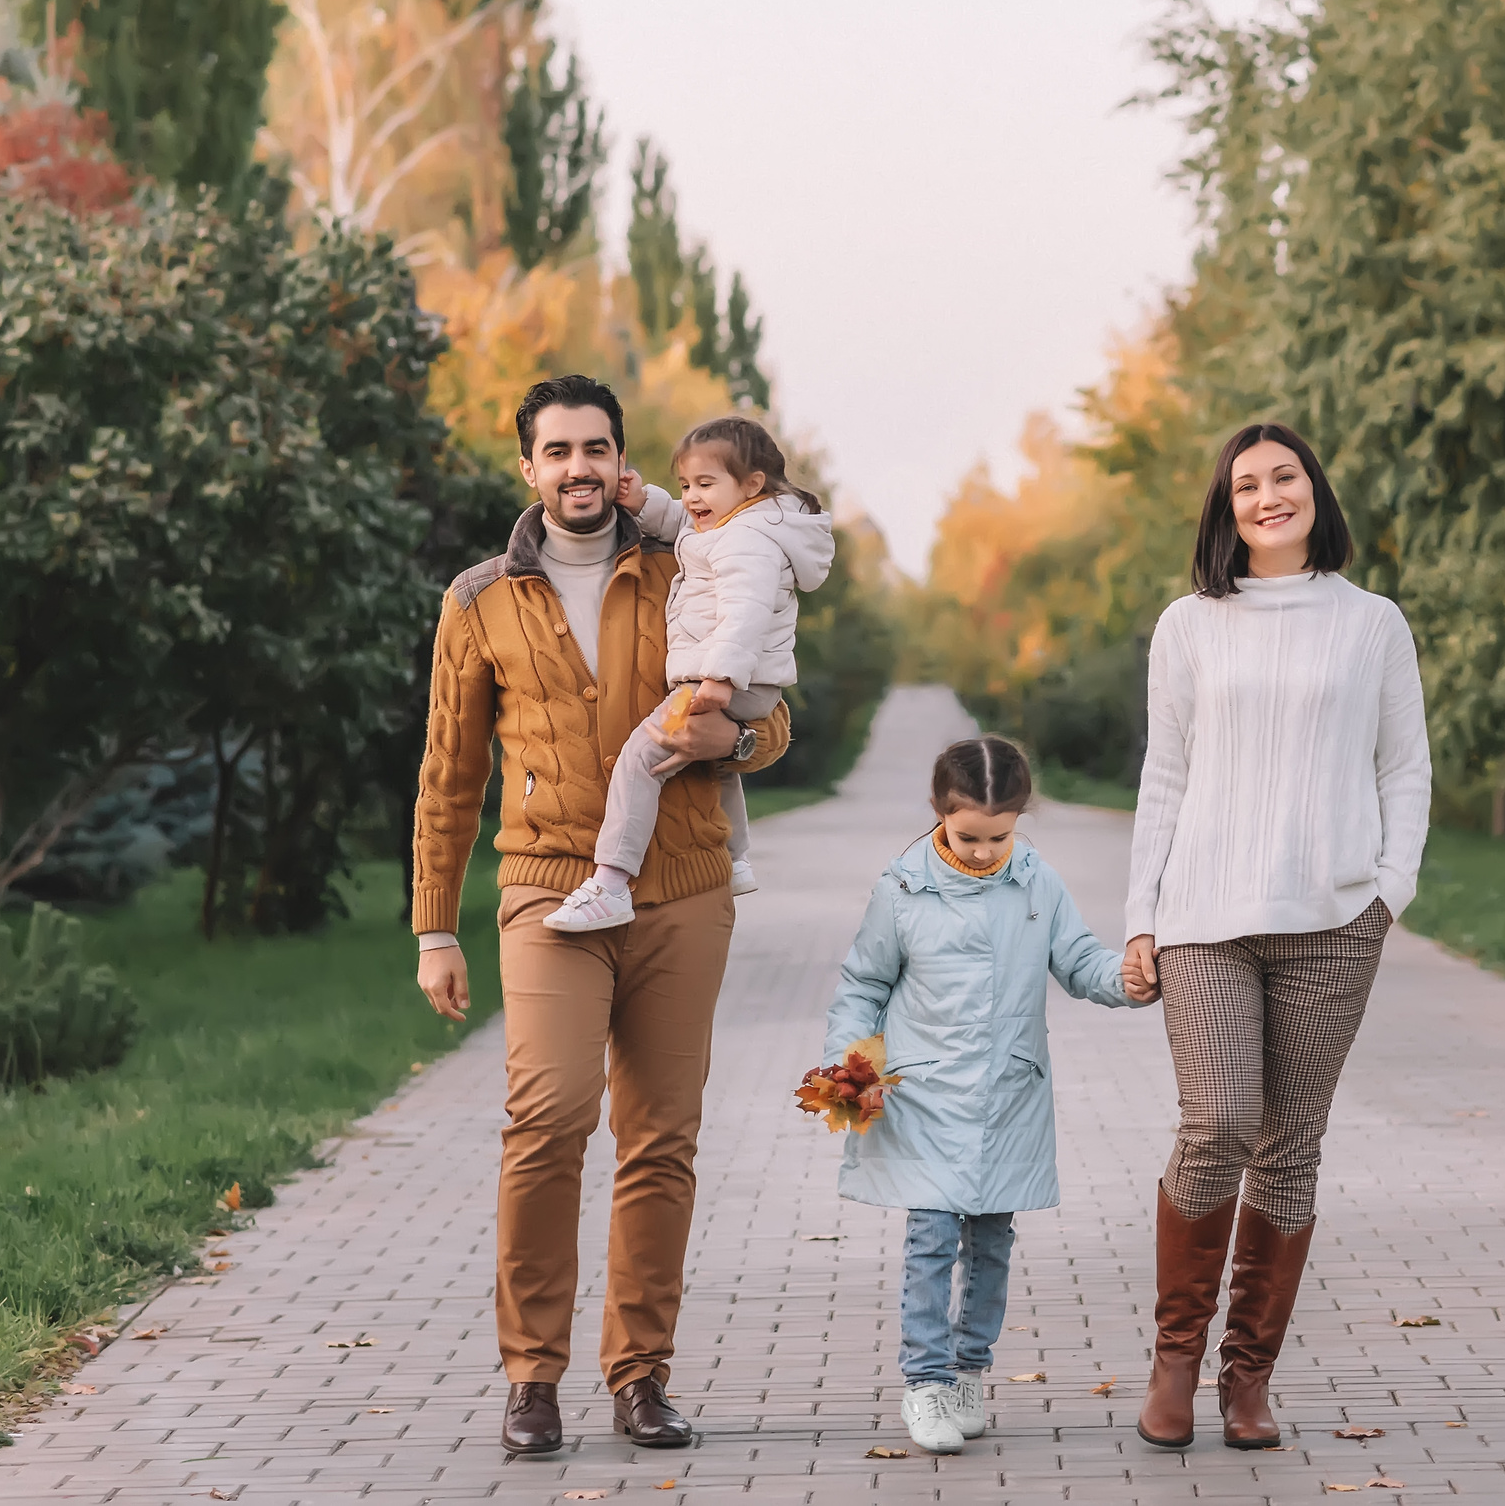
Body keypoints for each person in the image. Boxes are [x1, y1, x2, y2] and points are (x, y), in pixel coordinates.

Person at [411, 376, 783, 1457]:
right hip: (543, 889)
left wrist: (742, 746)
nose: (578, 467)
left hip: (683, 885)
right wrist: (436, 926)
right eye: (557, 450)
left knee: (661, 1138)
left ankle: (640, 1375)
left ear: (622, 462)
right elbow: (449, 772)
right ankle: (532, 1377)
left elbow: (772, 714)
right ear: (528, 468)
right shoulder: (479, 598)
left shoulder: (690, 561)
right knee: (547, 1120)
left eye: (596, 448)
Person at [1119, 422, 1431, 1453]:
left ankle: (1246, 1381)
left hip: (1334, 923)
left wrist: (1389, 890)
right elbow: (1163, 776)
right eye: (1245, 484)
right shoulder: (1189, 624)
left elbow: (1403, 769)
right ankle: (1175, 1358)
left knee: (1290, 1150)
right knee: (1215, 1125)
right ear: (1227, 508)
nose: (1266, 496)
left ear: (1312, 490)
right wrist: (1141, 919)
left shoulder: (1372, 623)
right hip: (1206, 920)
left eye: (1283, 476)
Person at [820, 736, 1154, 1455]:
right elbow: (863, 985)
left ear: (1020, 820)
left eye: (997, 836)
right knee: (932, 1238)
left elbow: (1079, 959)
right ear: (939, 814)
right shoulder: (903, 888)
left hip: (1006, 1094)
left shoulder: (1038, 884)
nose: (980, 850)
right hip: (924, 1095)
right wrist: (847, 1067)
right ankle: (926, 1382)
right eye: (967, 835)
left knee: (993, 1240)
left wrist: (1125, 979)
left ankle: (970, 1370)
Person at [545, 414, 834, 929]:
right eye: (684, 485)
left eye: (704, 484)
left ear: (751, 485)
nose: (692, 498)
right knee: (713, 764)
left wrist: (720, 678)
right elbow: (687, 528)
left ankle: (611, 883)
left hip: (721, 678)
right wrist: (648, 502)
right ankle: (737, 858)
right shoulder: (738, 525)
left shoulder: (747, 542)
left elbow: (745, 611)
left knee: (640, 759)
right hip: (747, 681)